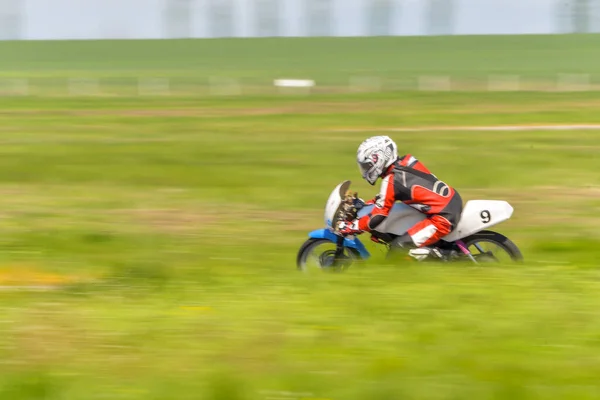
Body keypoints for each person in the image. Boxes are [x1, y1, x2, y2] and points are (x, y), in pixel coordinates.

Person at [336, 135, 463, 261]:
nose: (365, 171)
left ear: (379, 159)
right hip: (451, 201)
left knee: (398, 248)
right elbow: (385, 198)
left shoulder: (391, 180)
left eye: (367, 166)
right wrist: (364, 205)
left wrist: (352, 227)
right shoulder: (408, 162)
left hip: (443, 217)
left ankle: (446, 256)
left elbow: (378, 215)